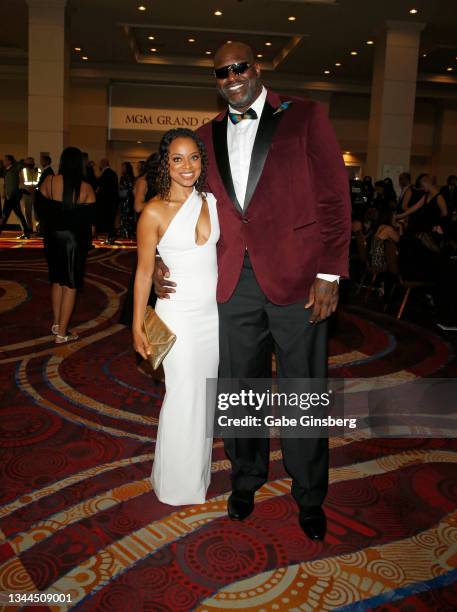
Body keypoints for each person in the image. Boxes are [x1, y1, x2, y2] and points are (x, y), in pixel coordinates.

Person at [155, 42, 351, 540]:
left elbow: (334, 196)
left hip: (299, 278)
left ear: (257, 68)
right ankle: (247, 478)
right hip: (231, 283)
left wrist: (329, 272)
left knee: (303, 390)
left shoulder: (305, 117)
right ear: (217, 80)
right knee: (241, 387)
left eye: (240, 67)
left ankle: (309, 493)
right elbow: (180, 205)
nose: (233, 76)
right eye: (223, 72)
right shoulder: (204, 135)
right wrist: (159, 256)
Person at [132, 128, 219, 505]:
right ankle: (174, 485)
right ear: (165, 164)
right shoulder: (153, 210)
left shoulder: (213, 201)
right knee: (183, 394)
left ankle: (194, 478)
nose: (187, 166)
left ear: (202, 161)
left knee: (204, 398)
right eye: (178, 159)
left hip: (213, 317)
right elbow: (143, 271)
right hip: (178, 315)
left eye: (194, 158)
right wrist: (136, 324)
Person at [35, 147, 95, 344]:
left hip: (52, 237)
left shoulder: (49, 181)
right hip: (73, 241)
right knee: (70, 284)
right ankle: (62, 333)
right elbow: (90, 223)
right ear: (80, 164)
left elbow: (40, 209)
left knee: (57, 280)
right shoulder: (86, 188)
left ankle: (56, 324)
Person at [119, 152, 159, 327]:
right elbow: (137, 206)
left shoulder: (163, 181)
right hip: (147, 229)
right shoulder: (143, 181)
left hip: (160, 230)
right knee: (145, 271)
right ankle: (139, 316)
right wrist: (160, 204)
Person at [0, 155, 31, 239]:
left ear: (10, 161)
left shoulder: (15, 168)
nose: (4, 162)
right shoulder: (6, 170)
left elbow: (21, 164)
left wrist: (23, 161)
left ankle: (27, 232)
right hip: (9, 196)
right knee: (14, 215)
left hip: (13, 196)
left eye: (5, 160)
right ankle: (27, 232)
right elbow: (6, 182)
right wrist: (4, 191)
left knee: (5, 215)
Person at [96, 158, 118, 245]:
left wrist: (98, 191)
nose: (99, 165)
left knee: (108, 220)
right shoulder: (112, 173)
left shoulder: (106, 174)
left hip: (107, 202)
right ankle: (110, 237)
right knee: (110, 220)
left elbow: (104, 188)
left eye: (101, 163)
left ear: (104, 163)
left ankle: (110, 237)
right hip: (112, 201)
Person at [20, 156, 41, 233]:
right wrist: (26, 189)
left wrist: (35, 189)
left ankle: (38, 228)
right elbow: (21, 182)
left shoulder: (38, 171)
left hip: (36, 193)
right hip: (26, 193)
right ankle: (30, 228)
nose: (29, 164)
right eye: (28, 162)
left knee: (37, 213)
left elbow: (39, 182)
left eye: (31, 162)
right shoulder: (23, 171)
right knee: (27, 212)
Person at [118, 162, 136, 238]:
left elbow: (127, 187)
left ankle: (125, 234)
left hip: (126, 199)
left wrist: (121, 187)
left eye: (123, 167)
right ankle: (128, 233)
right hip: (128, 199)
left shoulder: (125, 177)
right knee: (127, 216)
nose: (122, 168)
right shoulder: (131, 177)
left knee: (125, 216)